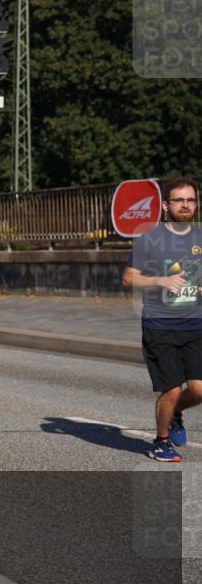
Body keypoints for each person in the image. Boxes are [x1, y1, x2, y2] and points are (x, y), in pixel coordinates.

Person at [122, 177, 202, 462]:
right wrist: (161, 281)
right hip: (160, 325)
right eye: (179, 200)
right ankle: (161, 441)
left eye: (190, 200)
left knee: (199, 390)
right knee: (170, 389)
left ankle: (176, 412)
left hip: (195, 324)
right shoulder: (150, 238)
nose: (185, 205)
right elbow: (128, 277)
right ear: (166, 205)